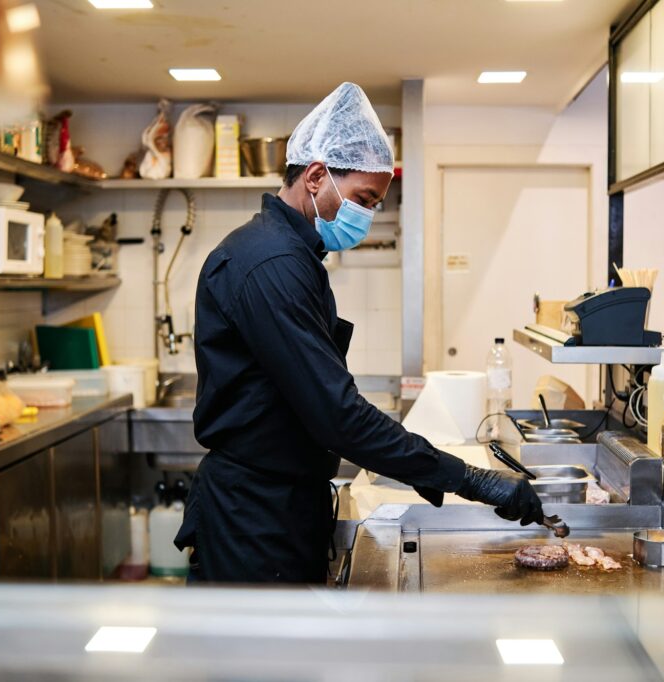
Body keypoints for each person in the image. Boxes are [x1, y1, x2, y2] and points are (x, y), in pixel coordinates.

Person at [175, 83, 544, 584]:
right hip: (253, 519)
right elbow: (338, 416)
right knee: (259, 661)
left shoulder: (288, 256)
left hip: (273, 504)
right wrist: (470, 480)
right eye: (363, 199)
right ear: (315, 176)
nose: (367, 217)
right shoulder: (273, 265)